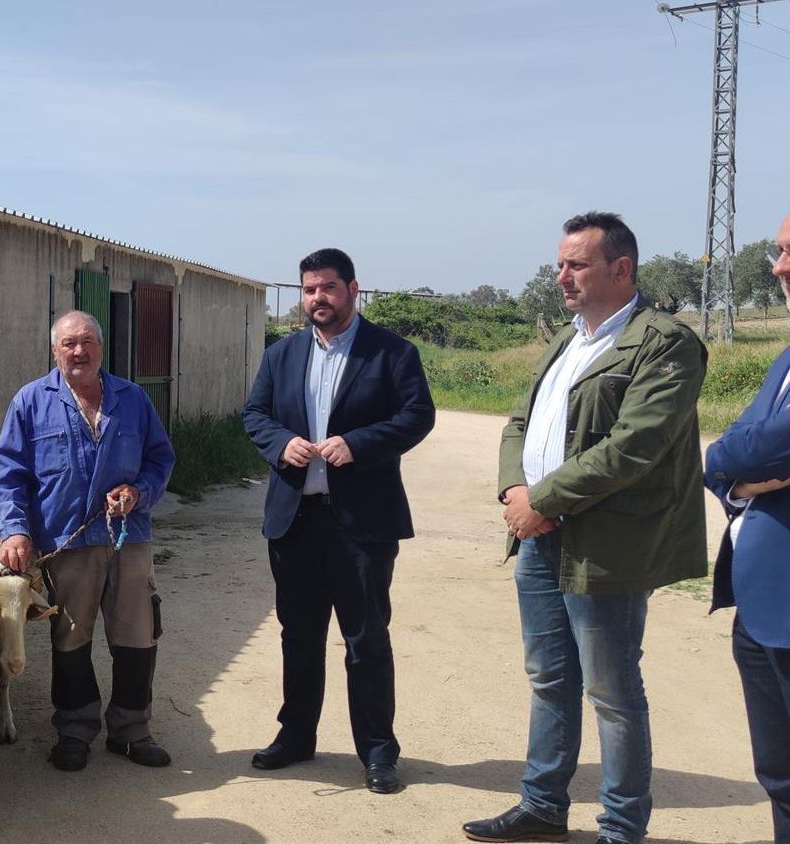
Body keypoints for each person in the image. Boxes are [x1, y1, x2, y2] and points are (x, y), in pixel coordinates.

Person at [464, 212, 707, 844]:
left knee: (612, 690)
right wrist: (515, 490)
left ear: (621, 269)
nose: (561, 276)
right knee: (549, 679)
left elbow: (635, 446)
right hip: (540, 537)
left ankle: (622, 829)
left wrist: (543, 498)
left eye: (577, 264)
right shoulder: (568, 338)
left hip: (608, 547)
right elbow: (520, 422)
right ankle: (542, 806)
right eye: (561, 263)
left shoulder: (664, 343)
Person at [241, 248, 435, 795]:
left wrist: (358, 444)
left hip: (362, 524)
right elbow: (254, 415)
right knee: (298, 636)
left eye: (327, 288)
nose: (317, 299)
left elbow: (418, 415)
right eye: (308, 290)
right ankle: (296, 737)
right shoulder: (282, 355)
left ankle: (377, 752)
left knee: (366, 640)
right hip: (295, 521)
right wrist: (283, 444)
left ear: (353, 289)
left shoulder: (392, 352)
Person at [0, 309, 175, 772]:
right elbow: (8, 475)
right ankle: (74, 730)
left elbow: (160, 458)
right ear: (55, 350)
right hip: (65, 541)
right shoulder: (31, 402)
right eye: (69, 343)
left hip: (128, 537)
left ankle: (132, 730)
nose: (79, 350)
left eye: (88, 341)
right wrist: (14, 528)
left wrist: (139, 492)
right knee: (71, 638)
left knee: (137, 637)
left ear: (101, 346)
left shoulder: (132, 399)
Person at [704, 213, 790, 842]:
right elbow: (731, 449)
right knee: (780, 775)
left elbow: (765, 446)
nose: (782, 267)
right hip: (762, 607)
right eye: (779, 253)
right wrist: (731, 473)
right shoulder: (787, 356)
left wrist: (733, 462)